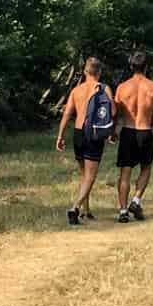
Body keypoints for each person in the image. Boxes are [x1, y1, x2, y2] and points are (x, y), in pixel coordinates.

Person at [55, 57, 110, 226]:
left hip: (78, 133)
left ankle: (86, 210)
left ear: (85, 72)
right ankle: (75, 207)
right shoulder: (104, 88)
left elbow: (67, 114)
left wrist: (60, 136)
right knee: (90, 175)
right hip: (93, 132)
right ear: (99, 72)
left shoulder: (76, 91)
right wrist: (111, 131)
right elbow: (111, 111)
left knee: (83, 174)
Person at [112, 51, 153, 222]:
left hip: (127, 130)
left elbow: (117, 113)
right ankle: (136, 200)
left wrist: (115, 131)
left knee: (125, 172)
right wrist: (149, 124)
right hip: (145, 130)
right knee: (146, 168)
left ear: (131, 66)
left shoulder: (122, 87)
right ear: (147, 67)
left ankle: (122, 211)